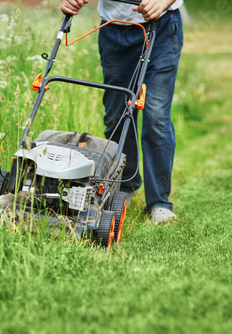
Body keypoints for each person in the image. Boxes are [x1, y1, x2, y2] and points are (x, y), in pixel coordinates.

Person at [61, 0, 183, 224]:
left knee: (156, 116)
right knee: (117, 116)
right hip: (114, 29)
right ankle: (125, 185)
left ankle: (159, 203)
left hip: (162, 28)